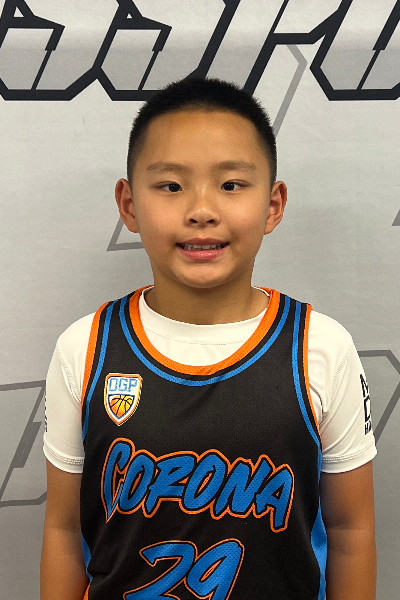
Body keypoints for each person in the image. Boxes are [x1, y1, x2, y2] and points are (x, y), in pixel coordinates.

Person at [40, 76, 377, 600]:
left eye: (231, 185)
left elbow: (351, 530)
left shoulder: (321, 348)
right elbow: (64, 531)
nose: (201, 209)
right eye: (171, 186)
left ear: (273, 205)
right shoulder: (85, 348)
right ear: (129, 205)